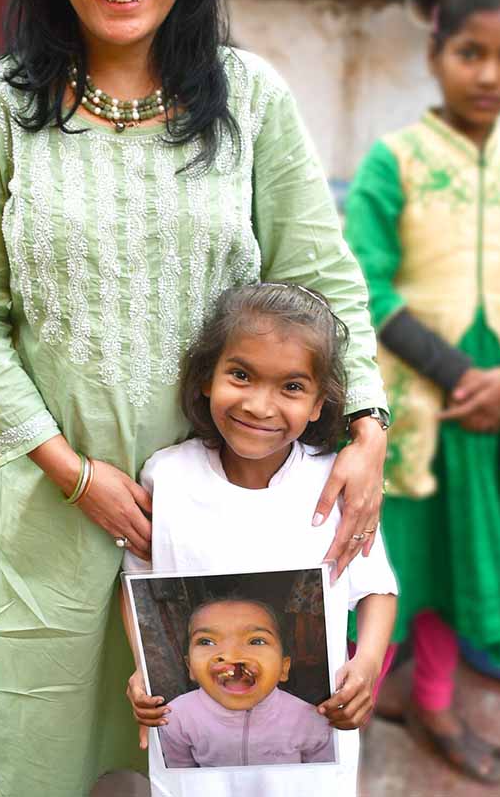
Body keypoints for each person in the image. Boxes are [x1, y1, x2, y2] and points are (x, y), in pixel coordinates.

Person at [0, 0, 389, 796]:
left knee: (225, 763)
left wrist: (370, 427)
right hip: (50, 522)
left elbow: (319, 274)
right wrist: (69, 471)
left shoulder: (249, 97)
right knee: (39, 767)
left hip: (224, 523)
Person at [344, 0, 500, 784]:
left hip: (491, 417)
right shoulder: (394, 162)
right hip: (411, 416)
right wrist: (455, 371)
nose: (489, 74)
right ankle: (351, 713)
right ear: (436, 53)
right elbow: (362, 282)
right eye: (470, 52)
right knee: (387, 573)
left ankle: (436, 701)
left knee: (453, 574)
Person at [123, 283, 397, 796]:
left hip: (308, 756)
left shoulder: (333, 487)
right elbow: (139, 586)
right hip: (196, 763)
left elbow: (376, 586)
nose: (260, 405)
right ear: (207, 378)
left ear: (319, 404)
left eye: (291, 387)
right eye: (242, 375)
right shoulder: (168, 478)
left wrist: (366, 664)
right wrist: (144, 670)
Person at [159, 596, 334, 769]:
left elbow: (326, 777)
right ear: (190, 667)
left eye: (256, 641)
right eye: (207, 641)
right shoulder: (177, 717)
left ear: (283, 667)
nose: (230, 655)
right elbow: (180, 780)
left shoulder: (309, 720)